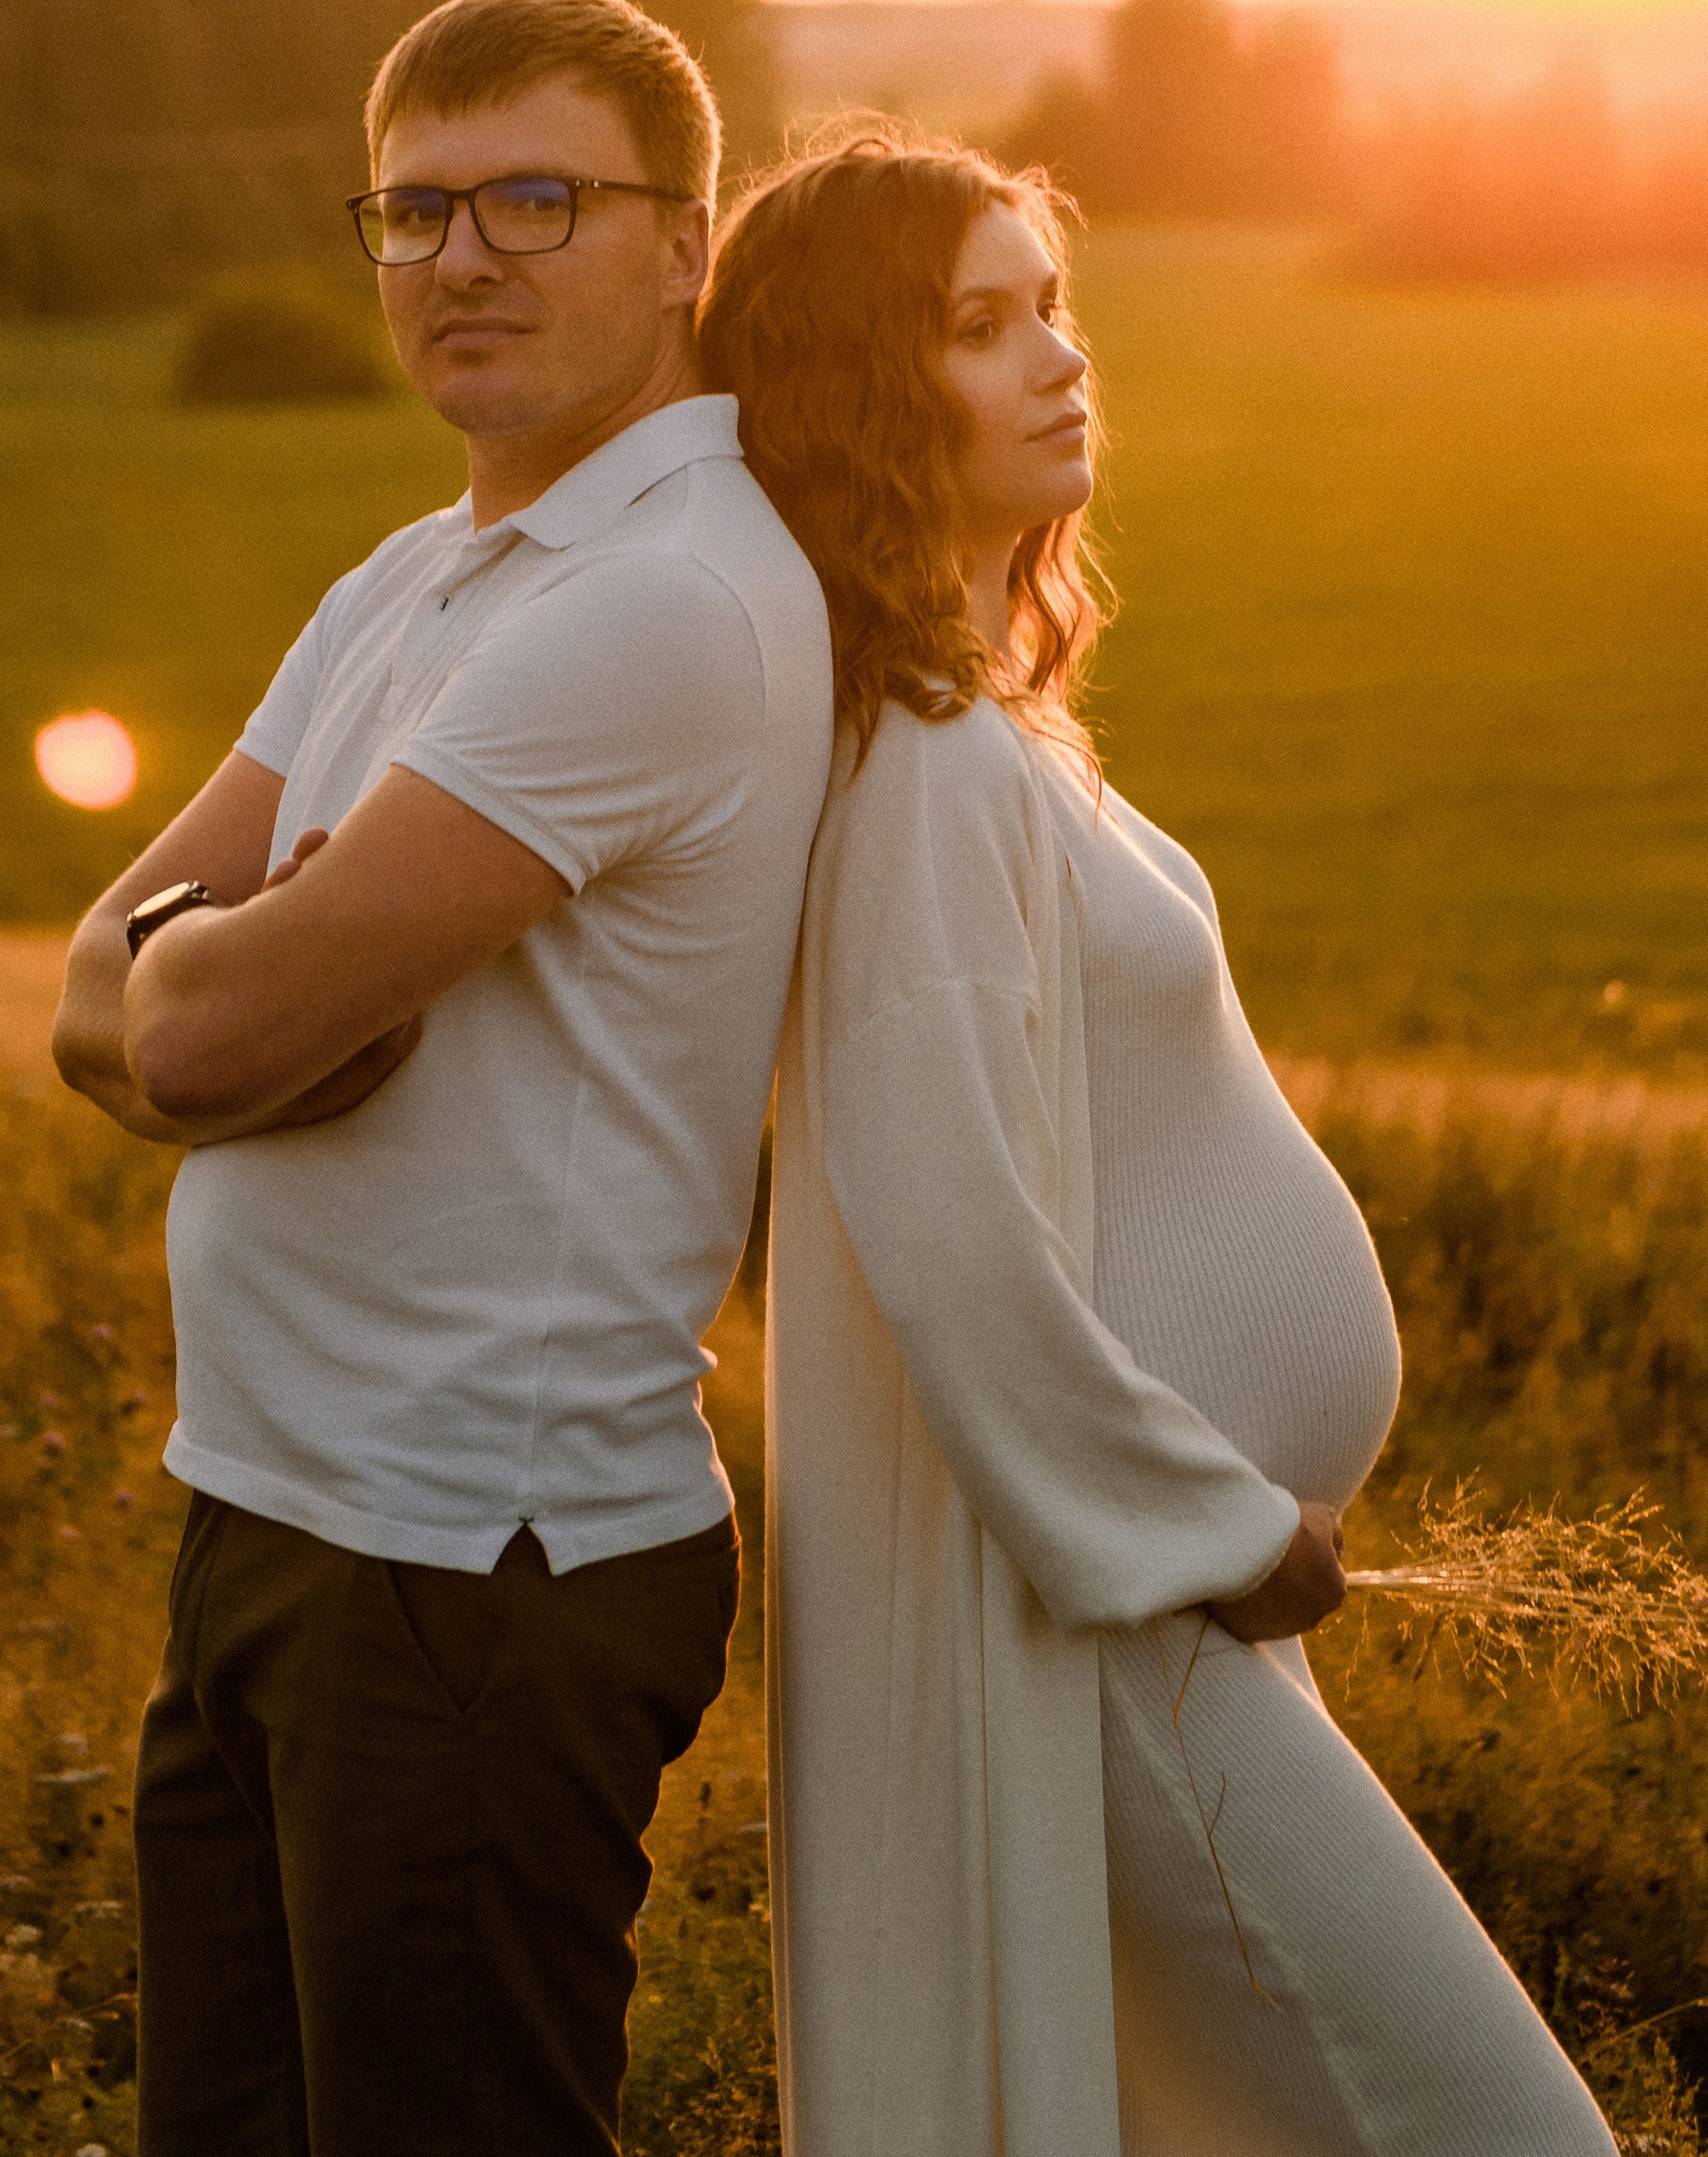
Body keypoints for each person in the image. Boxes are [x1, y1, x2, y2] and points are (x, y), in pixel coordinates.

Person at [695, 130, 1617, 2157]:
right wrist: (1210, 1524)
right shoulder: (923, 770)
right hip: (1103, 1627)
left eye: (1052, 308)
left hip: (1140, 1618)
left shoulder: (982, 725)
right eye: (975, 323)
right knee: (1497, 2139)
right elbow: (943, 1240)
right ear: (859, 384)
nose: (1054, 359)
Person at [52, 0, 833, 2157]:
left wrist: (222, 992)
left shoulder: (661, 595)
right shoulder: (420, 571)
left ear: (687, 241)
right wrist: (238, 975)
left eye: (534, 199)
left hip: (470, 1551)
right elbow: (91, 993)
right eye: (409, 212)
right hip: (277, 1498)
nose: (458, 257)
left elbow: (177, 1017)